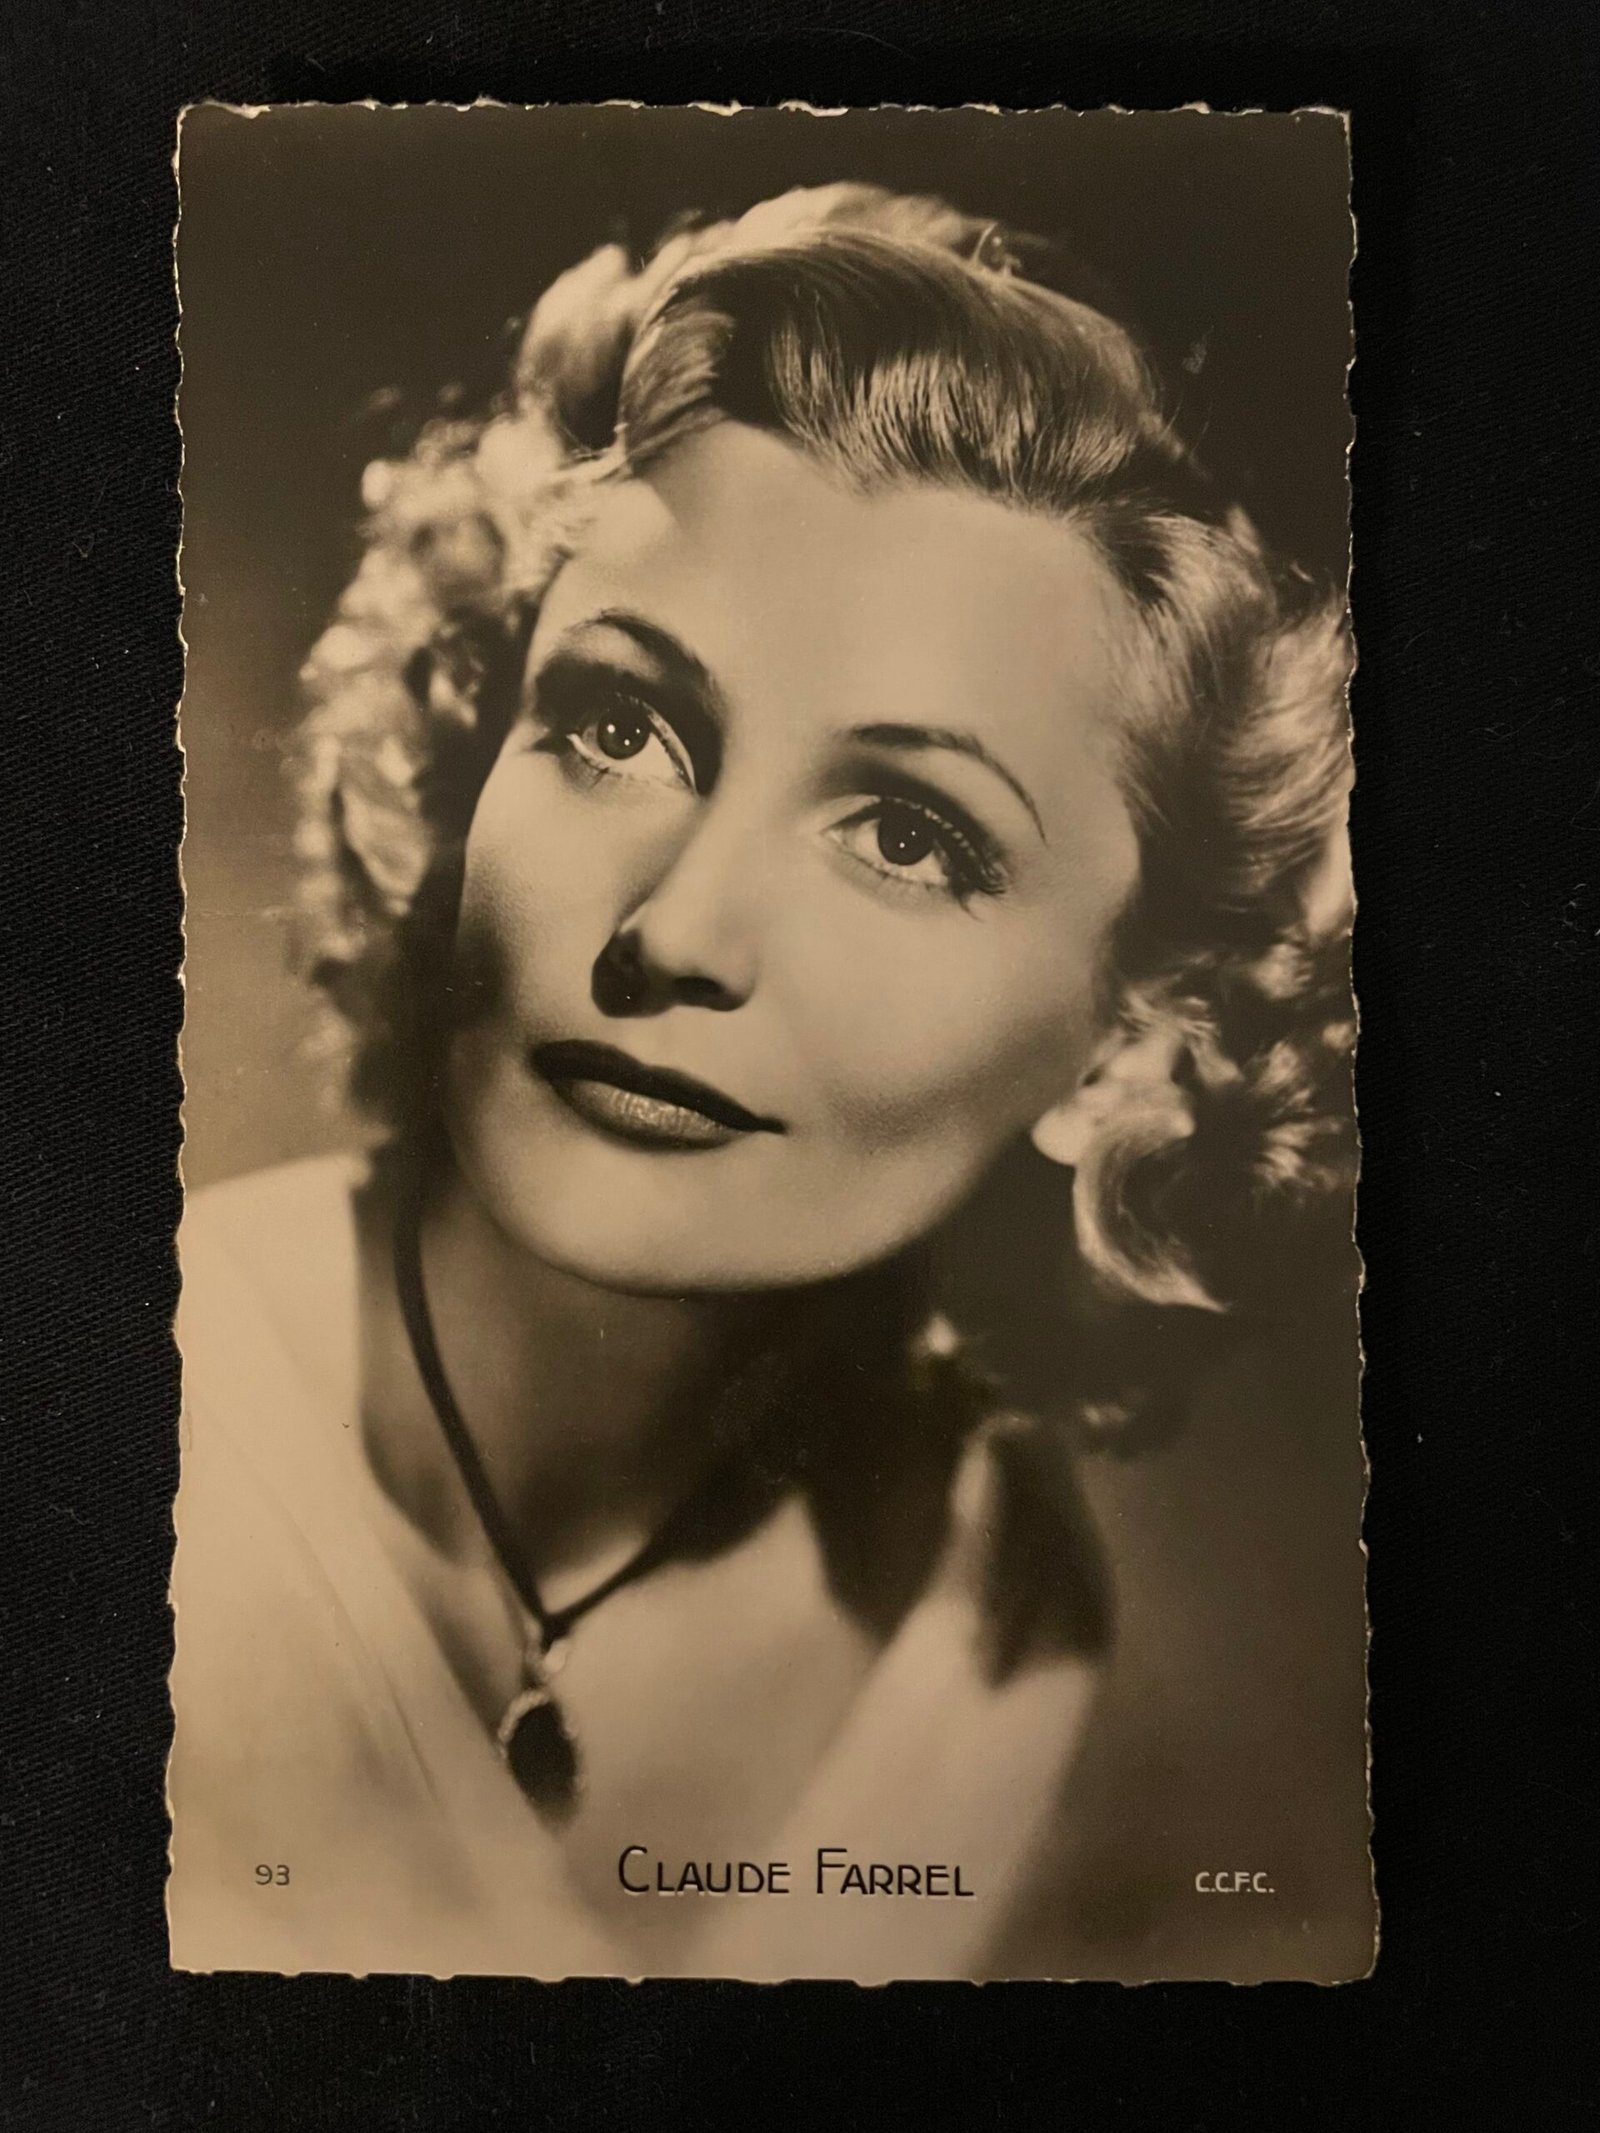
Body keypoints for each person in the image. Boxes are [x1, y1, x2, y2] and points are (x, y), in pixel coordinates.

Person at [167, 183, 1355, 1981]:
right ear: (482, 735)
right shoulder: (133, 1443)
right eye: (618, 725)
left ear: (1133, 1046)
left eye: (909, 832)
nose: (680, 929)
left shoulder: (990, 1607)